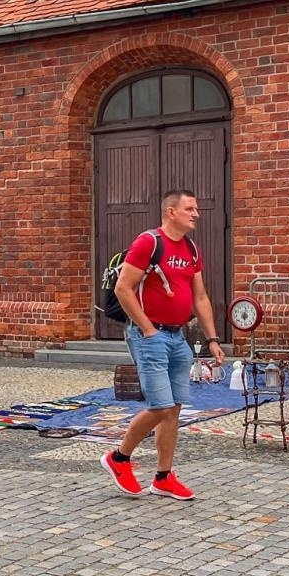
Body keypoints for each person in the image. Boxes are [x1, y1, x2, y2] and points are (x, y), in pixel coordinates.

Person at [100, 189, 224, 501]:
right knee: (161, 406)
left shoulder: (192, 249)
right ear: (171, 212)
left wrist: (212, 339)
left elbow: (200, 297)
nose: (196, 213)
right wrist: (148, 329)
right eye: (190, 208)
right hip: (150, 336)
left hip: (178, 336)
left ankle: (163, 477)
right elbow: (123, 288)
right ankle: (119, 458)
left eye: (196, 209)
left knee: (174, 410)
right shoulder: (149, 242)